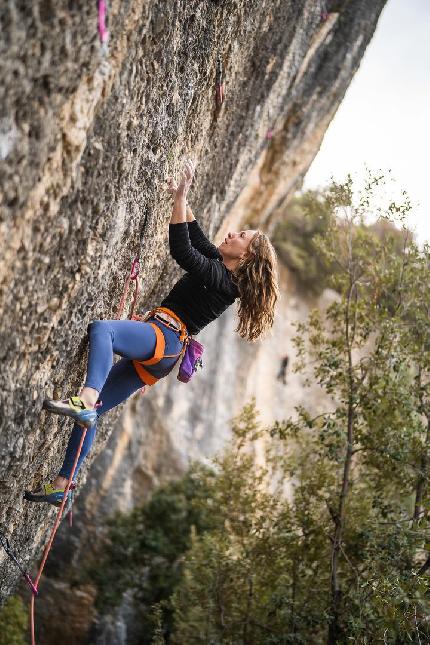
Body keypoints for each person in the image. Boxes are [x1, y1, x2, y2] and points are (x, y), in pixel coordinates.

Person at [25, 160, 279, 506]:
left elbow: (182, 251)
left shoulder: (225, 282)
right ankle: (61, 485)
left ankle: (84, 397)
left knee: (103, 331)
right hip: (164, 346)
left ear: (246, 256)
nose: (233, 233)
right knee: (96, 413)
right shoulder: (221, 267)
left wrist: (182, 196)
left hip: (166, 339)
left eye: (242, 236)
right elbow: (197, 236)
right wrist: (181, 195)